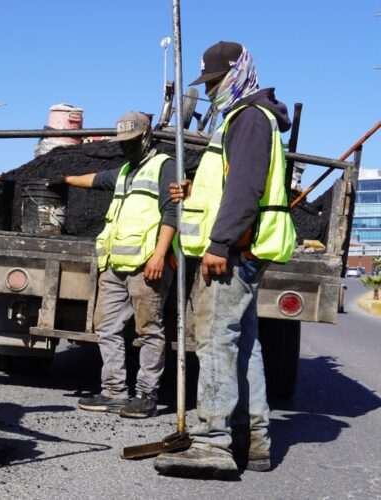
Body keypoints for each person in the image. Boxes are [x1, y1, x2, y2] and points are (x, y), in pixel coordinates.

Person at [154, 41, 295, 477]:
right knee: (244, 347)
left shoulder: (250, 118)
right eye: (208, 83)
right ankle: (253, 440)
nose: (211, 89)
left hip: (233, 251)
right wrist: (194, 191)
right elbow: (229, 183)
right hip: (239, 247)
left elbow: (246, 187)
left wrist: (220, 243)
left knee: (215, 340)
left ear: (237, 73)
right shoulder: (245, 117)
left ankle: (213, 440)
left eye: (216, 81)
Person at [53, 111, 178, 419]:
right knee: (107, 328)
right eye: (123, 142)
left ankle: (146, 395)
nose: (126, 147)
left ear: (147, 136)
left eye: (132, 141)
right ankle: (113, 392)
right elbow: (97, 180)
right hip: (115, 264)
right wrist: (64, 179)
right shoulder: (125, 171)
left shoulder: (165, 167)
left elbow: (173, 213)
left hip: (146, 265)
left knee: (150, 330)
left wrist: (159, 256)